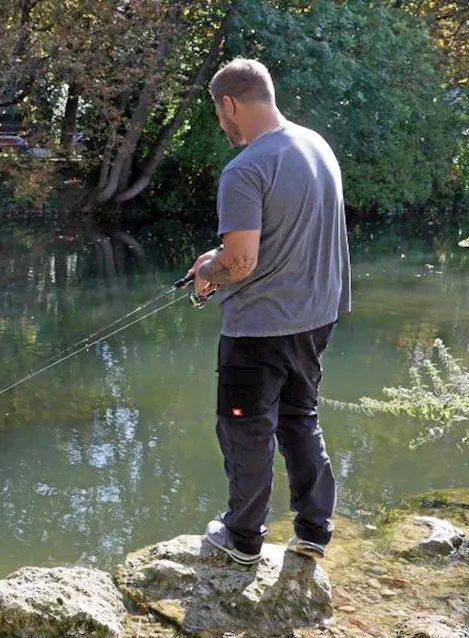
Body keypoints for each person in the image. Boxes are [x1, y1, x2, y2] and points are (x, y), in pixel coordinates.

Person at [186, 58, 351, 566]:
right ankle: (313, 530)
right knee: (300, 417)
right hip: (317, 317)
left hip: (259, 330)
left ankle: (242, 539)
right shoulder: (315, 144)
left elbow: (239, 261)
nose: (221, 124)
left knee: (245, 427)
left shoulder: (246, 168)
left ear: (230, 103)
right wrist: (215, 265)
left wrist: (206, 270)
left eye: (219, 113)